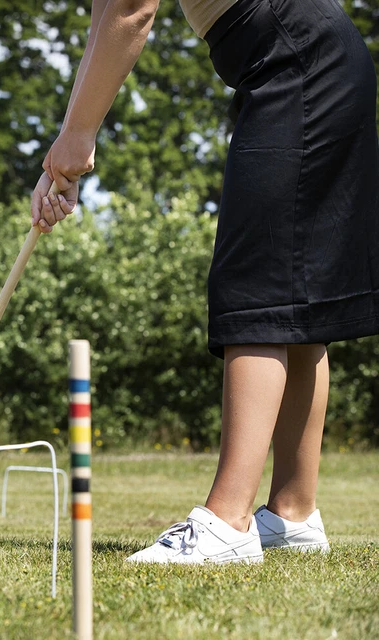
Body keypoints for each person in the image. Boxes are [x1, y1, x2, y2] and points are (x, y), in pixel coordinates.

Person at [33, 0, 378, 563]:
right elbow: (106, 19)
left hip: (299, 64)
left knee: (258, 285)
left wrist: (76, 138)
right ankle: (293, 513)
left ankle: (226, 524)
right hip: (312, 58)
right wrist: (70, 144)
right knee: (294, 298)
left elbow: (130, 10)